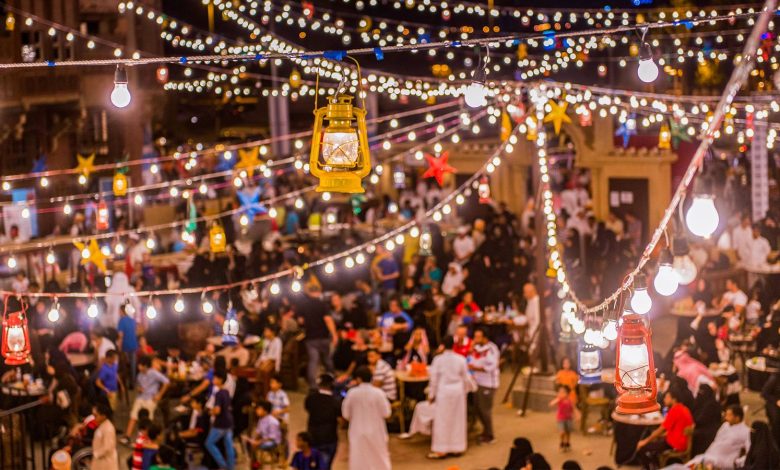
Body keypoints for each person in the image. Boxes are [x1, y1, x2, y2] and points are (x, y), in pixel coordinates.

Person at [428, 335, 476, 459]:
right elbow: (466, 377)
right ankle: (457, 448)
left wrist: (431, 394)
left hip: (443, 392)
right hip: (457, 392)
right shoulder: (461, 359)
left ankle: (441, 449)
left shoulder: (438, 360)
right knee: (457, 420)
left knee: (442, 421)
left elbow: (434, 379)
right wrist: (469, 389)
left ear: (442, 345)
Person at [666, 404, 750, 470]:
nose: (726, 417)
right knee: (681, 467)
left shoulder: (745, 431)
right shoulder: (725, 425)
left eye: (729, 415)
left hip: (723, 462)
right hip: (709, 456)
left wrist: (737, 463)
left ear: (737, 418)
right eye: (726, 415)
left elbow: (750, 452)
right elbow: (716, 441)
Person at [341, 366, 391, 470]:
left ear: (358, 379)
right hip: (377, 431)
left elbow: (346, 414)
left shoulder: (352, 393)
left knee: (359, 459)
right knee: (379, 459)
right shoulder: (379, 393)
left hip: (357, 431)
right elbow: (386, 413)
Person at [637, 389, 694, 469]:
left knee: (643, 448)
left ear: (674, 399)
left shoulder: (675, 410)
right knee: (654, 442)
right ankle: (655, 465)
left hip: (674, 444)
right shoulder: (683, 408)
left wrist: (644, 442)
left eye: (667, 397)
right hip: (680, 442)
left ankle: (650, 467)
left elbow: (661, 429)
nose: (664, 400)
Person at [296, 284, 338, 389]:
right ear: (319, 292)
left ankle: (313, 386)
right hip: (323, 336)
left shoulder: (303, 305)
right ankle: (332, 381)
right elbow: (328, 320)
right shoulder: (322, 304)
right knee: (327, 360)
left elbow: (300, 321)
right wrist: (334, 334)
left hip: (310, 338)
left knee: (313, 362)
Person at [123, 355, 170, 442]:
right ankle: (127, 437)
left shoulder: (153, 373)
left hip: (150, 399)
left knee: (148, 420)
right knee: (133, 416)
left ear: (145, 365)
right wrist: (139, 388)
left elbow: (166, 382)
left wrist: (159, 395)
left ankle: (147, 439)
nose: (139, 367)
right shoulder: (139, 375)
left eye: (140, 365)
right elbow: (138, 385)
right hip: (140, 397)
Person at [469, 328, 500, 444]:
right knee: (477, 408)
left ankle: (490, 435)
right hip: (476, 383)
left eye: (478, 337)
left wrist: (475, 368)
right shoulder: (476, 348)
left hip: (488, 384)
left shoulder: (492, 349)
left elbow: (491, 367)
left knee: (485, 410)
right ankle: (485, 431)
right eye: (475, 336)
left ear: (485, 338)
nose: (475, 339)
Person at [304, 374, 341, 469]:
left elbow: (307, 408)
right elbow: (341, 418)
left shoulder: (310, 398)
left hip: (313, 437)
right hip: (329, 438)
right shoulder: (336, 402)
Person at [204, 371, 236, 470]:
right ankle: (231, 467)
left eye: (215, 378)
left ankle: (222, 465)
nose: (213, 380)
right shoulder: (226, 392)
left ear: (220, 380)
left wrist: (210, 412)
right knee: (229, 446)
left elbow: (217, 411)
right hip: (229, 421)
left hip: (221, 423)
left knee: (209, 443)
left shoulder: (218, 394)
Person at [91, 402, 119, 470]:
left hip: (106, 462)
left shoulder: (108, 428)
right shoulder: (102, 425)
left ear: (103, 416)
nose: (94, 418)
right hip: (100, 460)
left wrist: (96, 454)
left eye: (96, 416)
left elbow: (107, 447)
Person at [117, 303, 139, 385]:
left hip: (125, 346)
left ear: (122, 311)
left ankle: (125, 383)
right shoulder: (132, 320)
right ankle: (133, 382)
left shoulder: (121, 321)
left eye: (119, 311)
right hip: (134, 344)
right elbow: (136, 331)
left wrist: (119, 347)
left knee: (125, 365)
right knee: (133, 365)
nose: (118, 312)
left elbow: (120, 335)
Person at [550, 385, 576, 452]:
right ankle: (562, 443)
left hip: (569, 419)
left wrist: (577, 415)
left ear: (567, 393)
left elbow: (573, 408)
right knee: (562, 432)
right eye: (559, 392)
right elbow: (551, 404)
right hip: (561, 419)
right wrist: (558, 399)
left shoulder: (570, 400)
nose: (561, 393)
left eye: (563, 392)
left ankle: (567, 443)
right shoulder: (559, 400)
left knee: (568, 432)